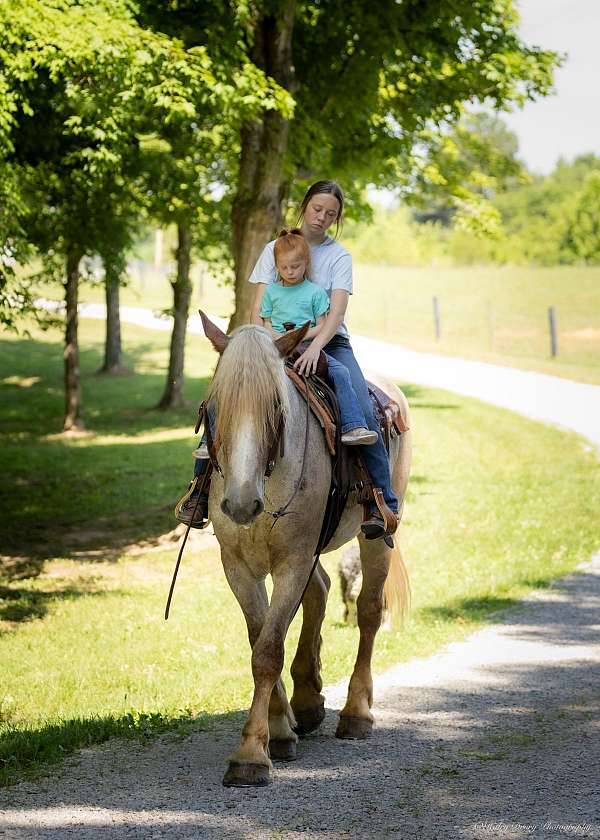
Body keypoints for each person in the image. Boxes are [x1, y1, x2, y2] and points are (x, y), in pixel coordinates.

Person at [176, 179, 398, 540]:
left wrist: (313, 348)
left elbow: (336, 315)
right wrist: (261, 350)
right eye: (317, 209)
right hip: (271, 344)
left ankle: (381, 501)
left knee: (362, 404)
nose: (322, 217)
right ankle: (200, 491)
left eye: (331, 213)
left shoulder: (339, 257)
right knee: (226, 396)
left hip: (326, 342)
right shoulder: (273, 249)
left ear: (338, 218)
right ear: (304, 206)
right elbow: (258, 308)